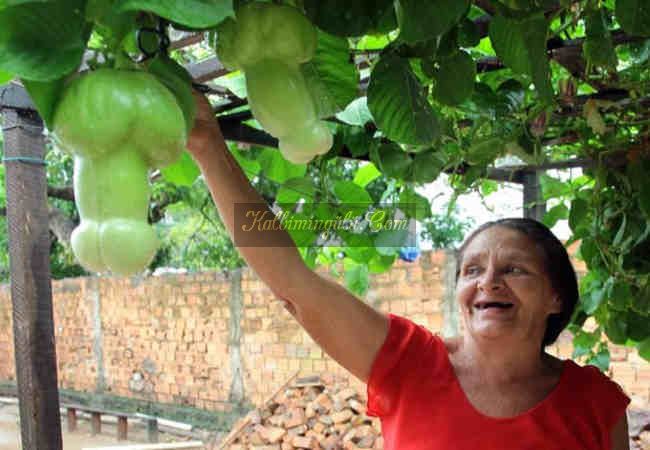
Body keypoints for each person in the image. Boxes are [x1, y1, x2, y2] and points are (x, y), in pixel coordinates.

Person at [186, 91, 630, 450]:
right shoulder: (409, 364)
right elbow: (293, 282)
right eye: (472, 269)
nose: (488, 282)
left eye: (513, 269)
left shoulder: (595, 402)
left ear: (556, 295)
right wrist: (208, 147)